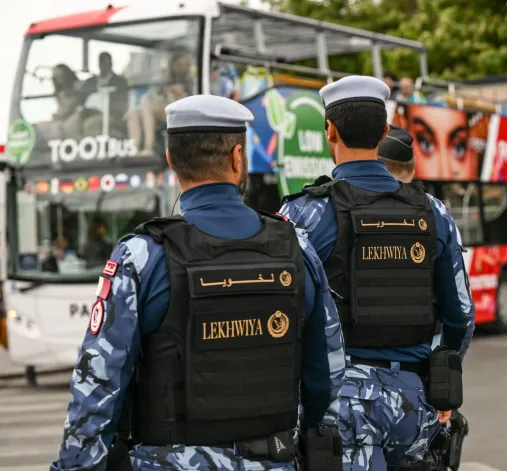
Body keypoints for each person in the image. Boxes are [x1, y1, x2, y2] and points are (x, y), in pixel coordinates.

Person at [51, 95, 346, 471]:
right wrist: (312, 443)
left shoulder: (142, 256)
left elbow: (97, 383)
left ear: (171, 159)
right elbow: (328, 370)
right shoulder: (296, 248)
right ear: (239, 158)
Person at [280, 75, 475, 471]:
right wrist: (440, 386)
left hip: (341, 406)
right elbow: (461, 315)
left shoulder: (305, 214)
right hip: (415, 402)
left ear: (329, 130)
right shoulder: (434, 213)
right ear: (384, 131)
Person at [81, 52, 129, 131]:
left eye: (106, 63)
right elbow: (81, 97)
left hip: (109, 113)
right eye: (101, 62)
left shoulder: (120, 81)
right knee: (72, 125)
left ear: (111, 64)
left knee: (90, 124)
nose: (103, 66)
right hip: (88, 112)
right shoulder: (90, 82)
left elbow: (122, 101)